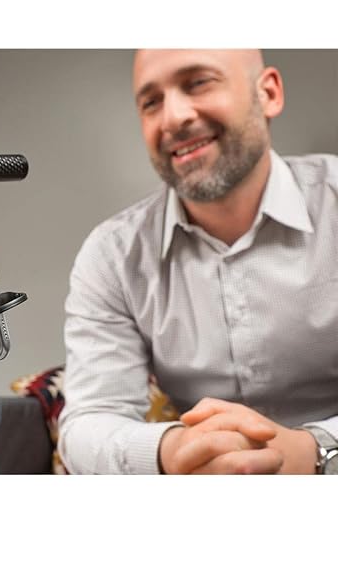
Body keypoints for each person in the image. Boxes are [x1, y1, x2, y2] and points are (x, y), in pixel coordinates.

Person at [58, 49, 338, 475]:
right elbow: (88, 422)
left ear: (268, 93)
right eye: (151, 102)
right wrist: (172, 450)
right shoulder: (112, 256)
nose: (172, 118)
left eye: (198, 83)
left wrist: (313, 451)